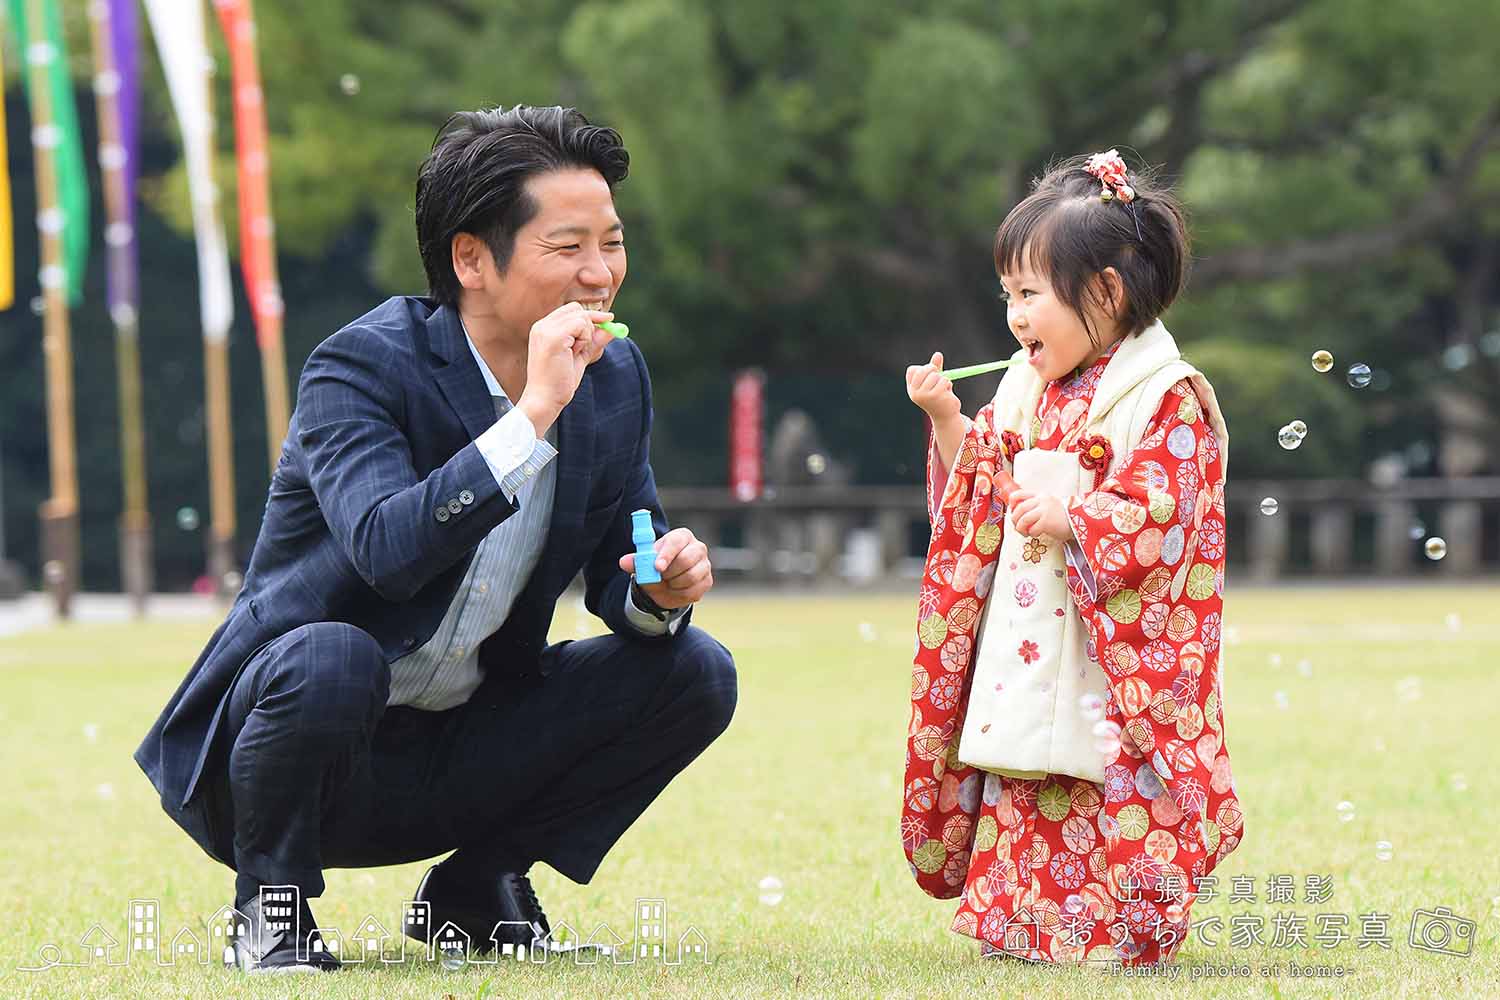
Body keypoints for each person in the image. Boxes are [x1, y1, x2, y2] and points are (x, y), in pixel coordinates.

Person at [133, 105, 737, 973]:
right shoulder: (362, 367)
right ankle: (271, 906)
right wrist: (533, 417)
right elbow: (385, 549)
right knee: (331, 656)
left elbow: (620, 566)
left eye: (612, 242)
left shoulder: (613, 379)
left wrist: (656, 592)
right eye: (567, 248)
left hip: (459, 751)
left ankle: (478, 886)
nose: (601, 275)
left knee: (695, 669)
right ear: (470, 260)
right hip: (292, 753)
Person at [900, 150, 1242, 965]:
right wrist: (947, 417)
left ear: (1106, 294)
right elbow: (978, 486)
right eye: (1008, 295)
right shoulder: (1026, 388)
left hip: (1107, 648)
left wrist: (1078, 516)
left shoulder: (1165, 397)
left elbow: (1168, 511)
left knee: (1103, 778)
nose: (1014, 317)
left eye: (1030, 295)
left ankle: (1114, 929)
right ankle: (1015, 922)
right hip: (1032, 631)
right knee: (1024, 766)